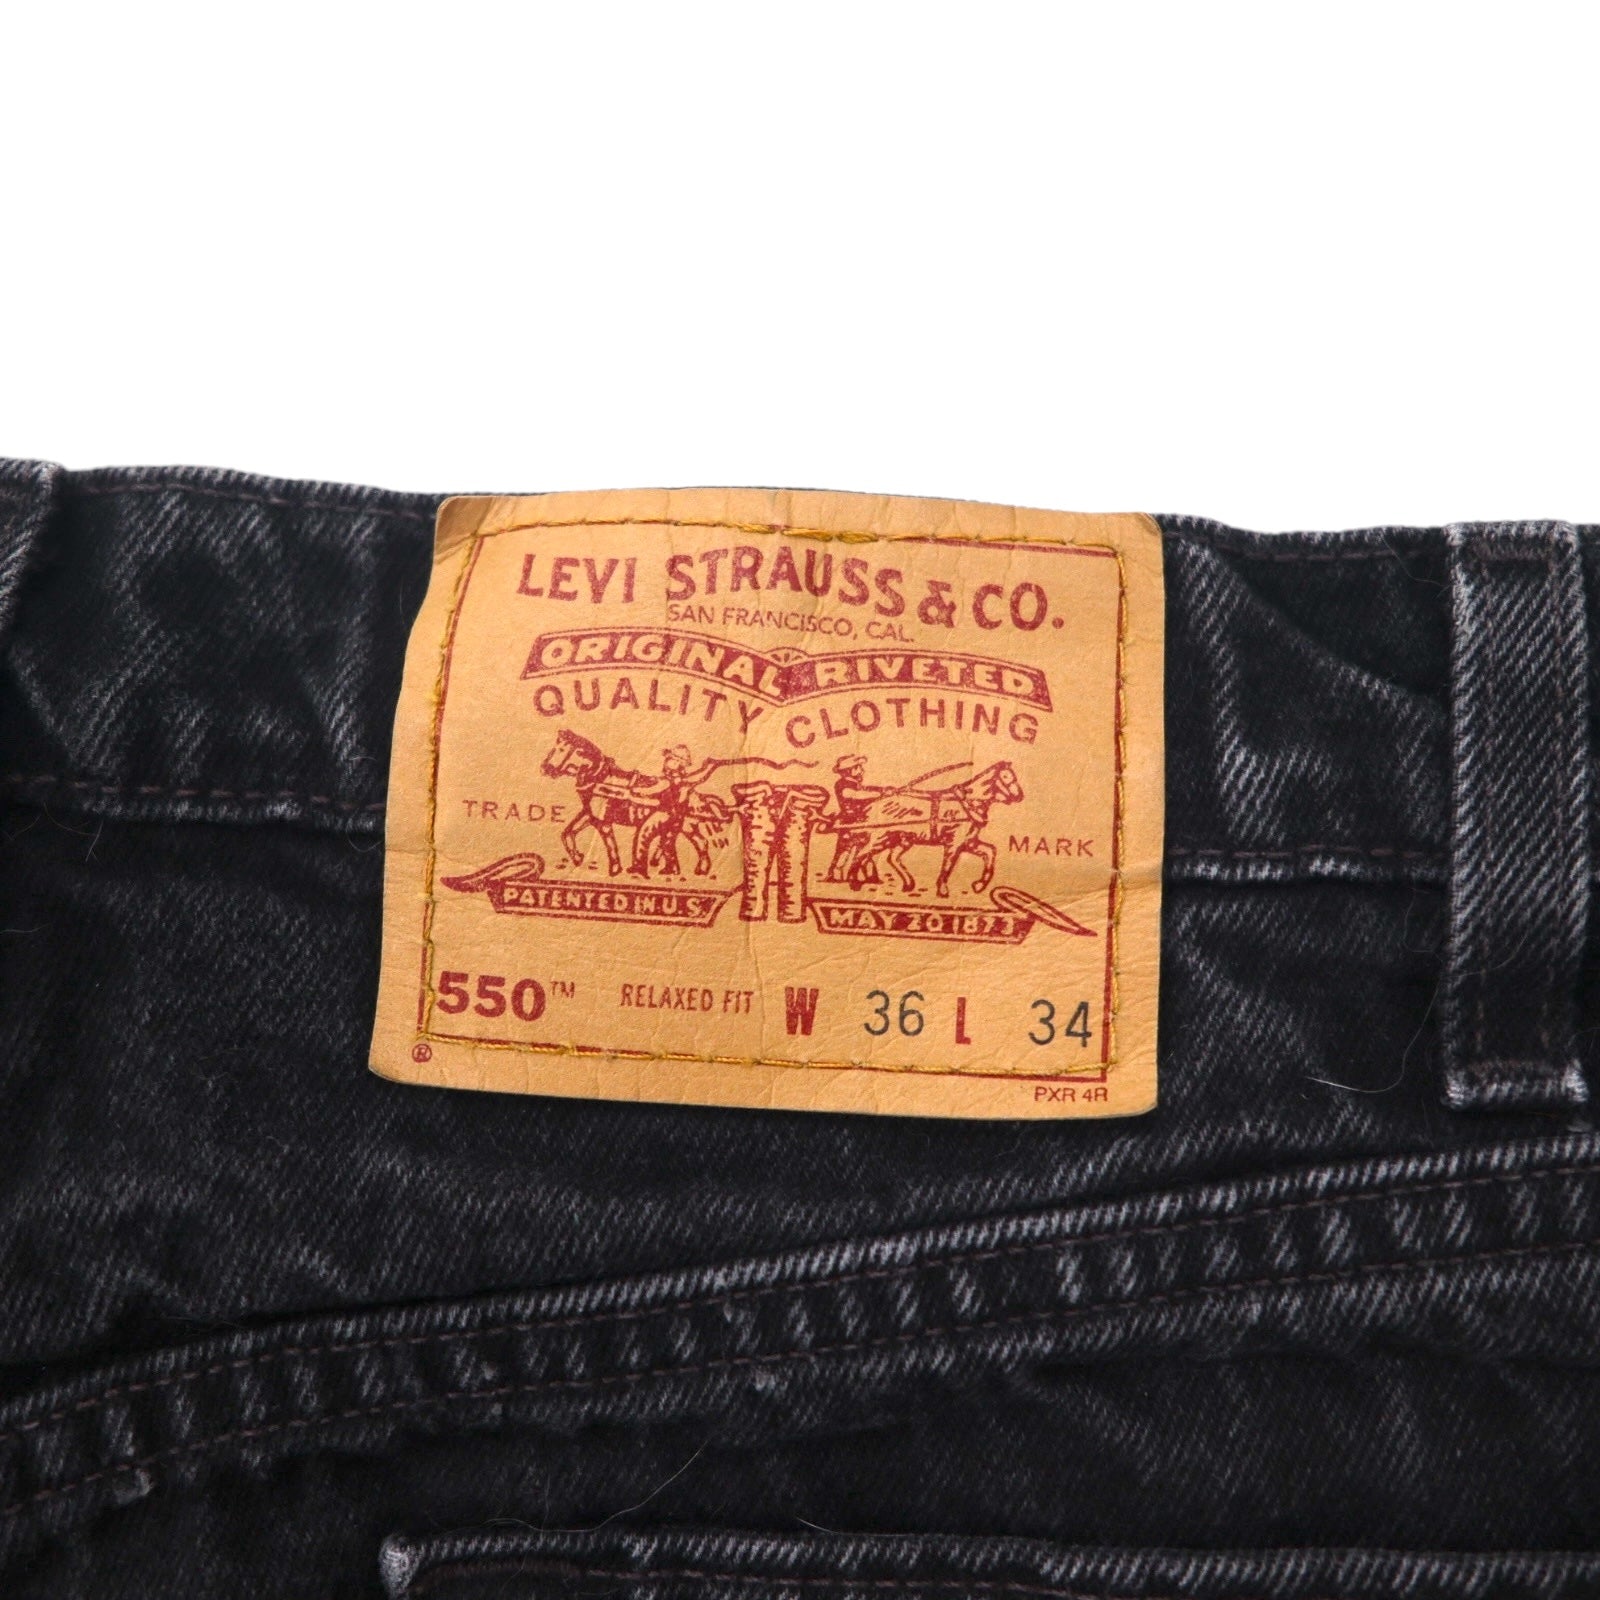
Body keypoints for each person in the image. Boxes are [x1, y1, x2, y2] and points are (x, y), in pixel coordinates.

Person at [630, 745, 719, 877]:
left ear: (677, 763)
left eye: (669, 759)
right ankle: (671, 867)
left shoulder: (667, 781)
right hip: (678, 818)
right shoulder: (685, 781)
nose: (666, 762)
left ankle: (640, 867)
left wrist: (635, 790)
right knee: (667, 841)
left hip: (664, 815)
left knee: (644, 835)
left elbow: (651, 791)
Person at [824, 754, 887, 883]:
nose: (862, 770)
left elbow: (866, 790)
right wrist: (879, 793)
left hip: (862, 822)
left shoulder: (856, 783)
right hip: (849, 822)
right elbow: (855, 795)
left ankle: (869, 875)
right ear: (849, 770)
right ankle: (836, 874)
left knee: (866, 850)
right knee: (845, 850)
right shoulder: (842, 784)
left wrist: (885, 790)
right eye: (858, 767)